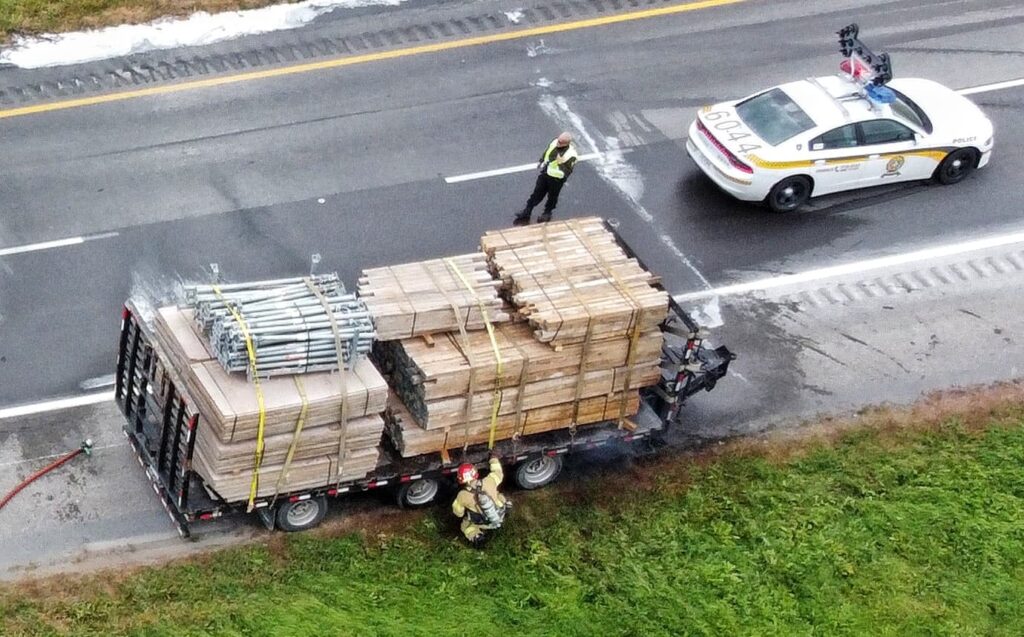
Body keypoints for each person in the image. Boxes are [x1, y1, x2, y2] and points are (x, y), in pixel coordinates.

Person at [514, 132, 578, 225]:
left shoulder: (571, 155)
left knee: (552, 196)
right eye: (558, 140)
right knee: (536, 193)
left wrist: (560, 164)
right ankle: (527, 211)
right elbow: (547, 152)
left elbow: (568, 171)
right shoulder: (554, 143)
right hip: (546, 173)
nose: (558, 143)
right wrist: (541, 160)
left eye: (560, 142)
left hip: (556, 179)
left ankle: (547, 212)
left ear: (566, 143)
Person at [451, 453, 511, 546]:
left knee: (465, 527)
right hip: (499, 513)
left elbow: (458, 513)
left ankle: (477, 536)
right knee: (498, 494)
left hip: (484, 523)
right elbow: (498, 472)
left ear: (460, 478)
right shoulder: (489, 481)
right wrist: (493, 458)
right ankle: (506, 505)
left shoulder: (462, 495)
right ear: (475, 473)